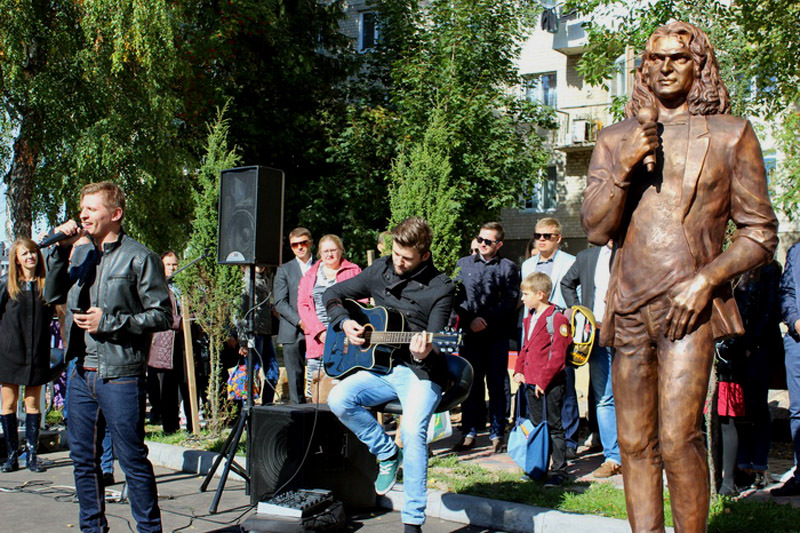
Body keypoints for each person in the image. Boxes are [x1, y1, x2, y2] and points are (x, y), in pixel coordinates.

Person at [581, 22, 778, 531]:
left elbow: (759, 233)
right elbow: (597, 230)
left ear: (699, 66)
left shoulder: (732, 134)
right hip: (627, 309)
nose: (664, 67)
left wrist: (705, 280)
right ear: (642, 67)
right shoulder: (614, 139)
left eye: (678, 58)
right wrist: (624, 167)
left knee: (678, 437)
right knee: (633, 443)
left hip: (687, 309)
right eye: (654, 58)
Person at [45, 181, 172, 532]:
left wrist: (111, 322)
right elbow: (52, 292)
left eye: (92, 209)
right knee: (83, 460)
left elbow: (162, 315)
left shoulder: (138, 256)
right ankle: (92, 528)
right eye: (81, 208)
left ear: (115, 214)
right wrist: (59, 250)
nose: (83, 215)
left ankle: (149, 529)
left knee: (131, 458)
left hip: (121, 373)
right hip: (80, 373)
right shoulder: (83, 255)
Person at [324, 217, 455, 533]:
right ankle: (385, 452)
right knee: (338, 398)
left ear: (424, 255)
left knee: (411, 431)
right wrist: (344, 323)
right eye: (396, 253)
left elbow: (436, 343)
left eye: (406, 258)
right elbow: (333, 293)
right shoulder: (380, 269)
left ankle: (412, 521)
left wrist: (427, 349)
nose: (398, 261)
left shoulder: (442, 287)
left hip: (421, 372)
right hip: (381, 368)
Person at [453, 222, 519, 453]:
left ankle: (497, 433)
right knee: (470, 384)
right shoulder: (463, 264)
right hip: (470, 335)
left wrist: (486, 319)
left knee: (497, 384)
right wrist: (470, 319)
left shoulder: (508, 267)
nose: (482, 244)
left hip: (496, 335)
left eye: (488, 241)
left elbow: (510, 301)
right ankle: (469, 431)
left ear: (499, 244)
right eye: (480, 239)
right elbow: (457, 297)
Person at [560, 241, 622, 478]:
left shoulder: (632, 248)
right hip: (596, 333)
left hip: (629, 333)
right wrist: (579, 313)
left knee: (634, 394)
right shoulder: (587, 256)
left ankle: (640, 452)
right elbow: (567, 282)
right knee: (604, 397)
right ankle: (613, 457)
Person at [520, 217, 578, 457]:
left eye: (547, 236)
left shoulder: (570, 262)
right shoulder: (527, 265)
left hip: (558, 330)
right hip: (533, 332)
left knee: (564, 387)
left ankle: (569, 440)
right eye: (538, 235)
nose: (541, 240)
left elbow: (577, 296)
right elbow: (525, 301)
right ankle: (538, 444)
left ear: (558, 239)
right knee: (533, 388)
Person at [0, 238, 55, 473]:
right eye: (24, 254)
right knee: (9, 403)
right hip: (10, 353)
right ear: (16, 259)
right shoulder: (6, 284)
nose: (30, 257)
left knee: (33, 403)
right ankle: (12, 455)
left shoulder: (46, 285)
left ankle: (32, 455)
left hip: (37, 353)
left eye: (32, 252)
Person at [514, 272, 571, 485]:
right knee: (537, 425)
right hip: (531, 381)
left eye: (526, 294)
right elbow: (525, 347)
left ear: (540, 294)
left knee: (554, 425)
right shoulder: (530, 317)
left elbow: (558, 356)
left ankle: (559, 470)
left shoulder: (557, 319)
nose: (522, 298)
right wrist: (519, 370)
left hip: (549, 383)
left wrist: (543, 382)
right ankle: (538, 467)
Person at [297, 234, 361, 401]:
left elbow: (362, 302)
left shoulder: (353, 271)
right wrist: (319, 332)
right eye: (325, 251)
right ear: (319, 253)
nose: (329, 255)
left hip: (346, 336)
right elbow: (303, 306)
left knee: (344, 385)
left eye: (333, 250)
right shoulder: (310, 276)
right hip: (317, 338)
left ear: (341, 251)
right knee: (316, 387)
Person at [147, 251, 193, 432]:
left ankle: (191, 424)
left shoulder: (183, 287)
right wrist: (179, 322)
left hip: (183, 342)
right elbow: (156, 313)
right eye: (169, 265)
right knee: (166, 387)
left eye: (175, 264)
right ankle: (169, 426)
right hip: (163, 342)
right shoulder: (157, 287)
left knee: (187, 383)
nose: (173, 268)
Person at [274, 228, 314, 404]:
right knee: (295, 377)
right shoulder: (284, 270)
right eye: (295, 245)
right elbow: (280, 302)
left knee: (320, 375)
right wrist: (299, 321)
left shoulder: (321, 266)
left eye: (303, 242)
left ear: (311, 243)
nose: (300, 247)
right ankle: (299, 418)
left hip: (319, 329)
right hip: (292, 330)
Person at [774, 243, 800, 497]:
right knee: (798, 411)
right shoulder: (796, 252)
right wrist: (795, 321)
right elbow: (787, 292)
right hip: (797, 342)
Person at [237, 264, 279, 403]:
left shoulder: (266, 278)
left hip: (266, 332)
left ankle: (267, 405)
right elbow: (239, 312)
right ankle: (248, 408)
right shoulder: (246, 280)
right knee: (251, 373)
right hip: (253, 333)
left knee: (273, 372)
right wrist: (243, 340)